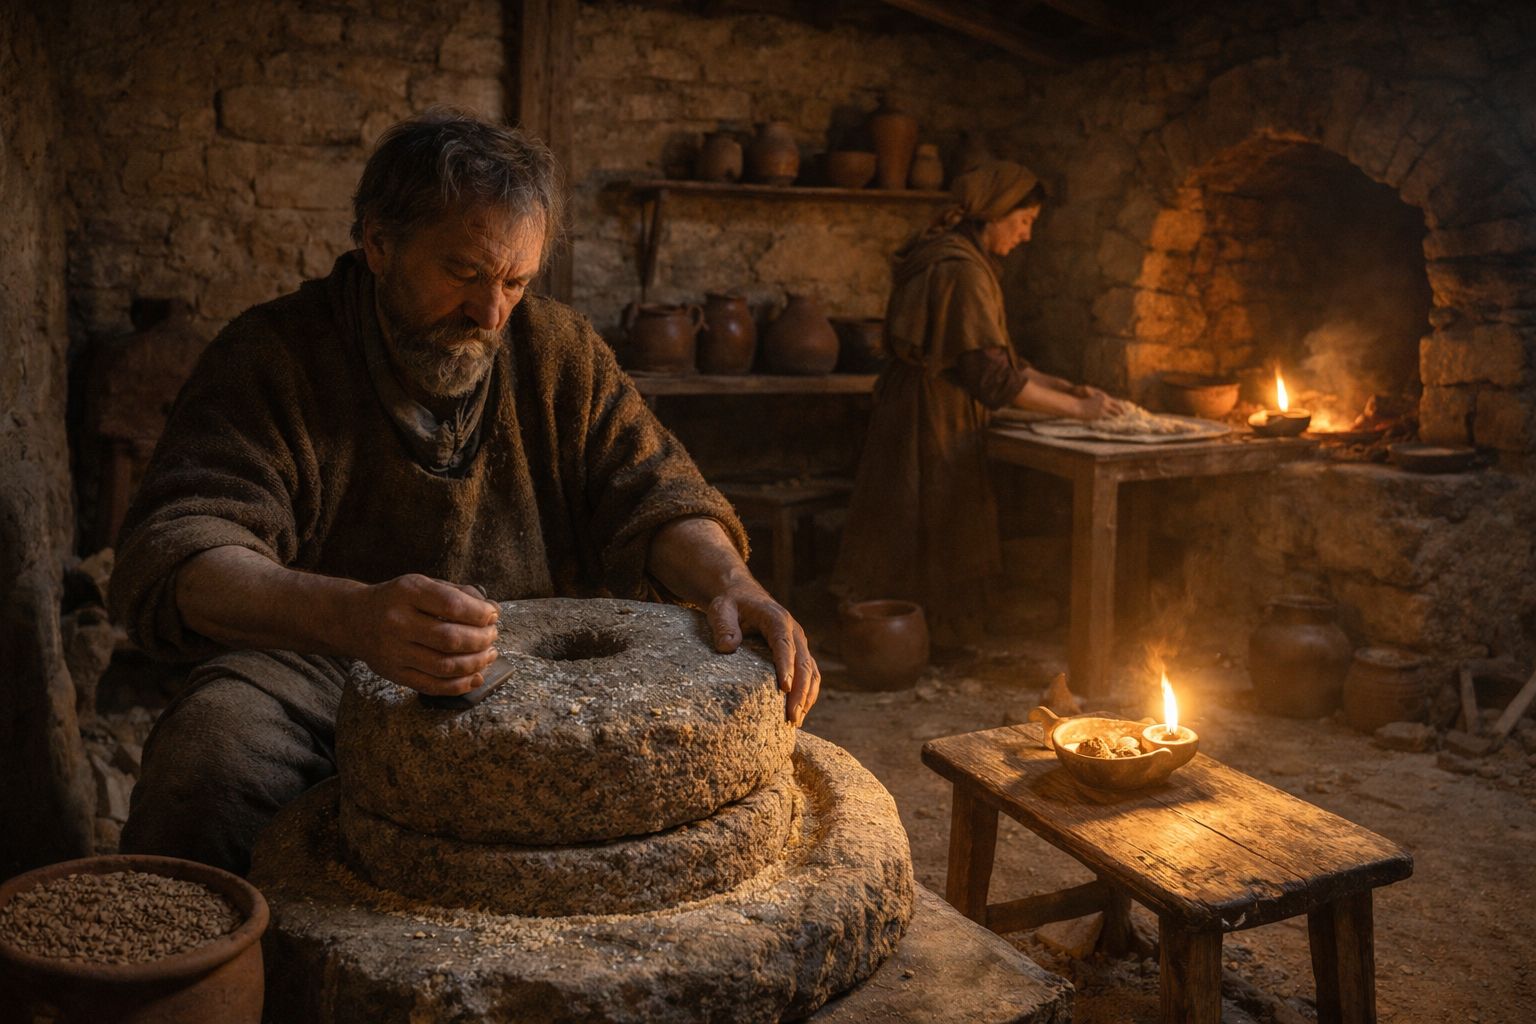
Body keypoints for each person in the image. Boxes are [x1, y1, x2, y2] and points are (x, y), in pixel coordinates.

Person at [109, 110, 820, 875]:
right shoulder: (273, 357)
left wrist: (732, 582)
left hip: (532, 667)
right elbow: (184, 553)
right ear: (378, 244)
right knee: (205, 765)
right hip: (316, 664)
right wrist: (354, 617)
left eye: (516, 281)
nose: (491, 314)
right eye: (463, 273)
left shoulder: (556, 351)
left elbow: (655, 490)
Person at [834, 159, 1125, 647]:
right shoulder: (962, 271)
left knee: (914, 520)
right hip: (933, 414)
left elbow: (994, 359)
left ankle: (901, 638)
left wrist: (1066, 387)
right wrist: (1081, 412)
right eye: (1024, 221)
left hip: (920, 403)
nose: (1027, 235)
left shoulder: (954, 256)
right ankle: (916, 640)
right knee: (928, 520)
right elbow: (990, 378)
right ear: (994, 213)